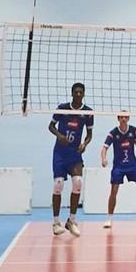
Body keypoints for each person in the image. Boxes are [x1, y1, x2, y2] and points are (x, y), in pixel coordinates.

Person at [49, 83, 93, 237]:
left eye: (81, 92)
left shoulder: (87, 112)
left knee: (78, 183)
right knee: (58, 185)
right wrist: (59, 135)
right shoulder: (63, 108)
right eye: (76, 92)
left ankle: (71, 221)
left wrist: (85, 144)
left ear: (84, 94)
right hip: (60, 153)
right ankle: (56, 223)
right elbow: (51, 126)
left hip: (75, 154)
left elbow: (89, 135)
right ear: (72, 93)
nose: (78, 94)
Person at [100, 111, 136, 228]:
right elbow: (104, 148)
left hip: (132, 165)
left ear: (128, 118)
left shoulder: (134, 131)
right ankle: (109, 219)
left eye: (126, 117)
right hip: (118, 166)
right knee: (114, 190)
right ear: (118, 118)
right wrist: (103, 158)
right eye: (122, 117)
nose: (124, 119)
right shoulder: (113, 133)